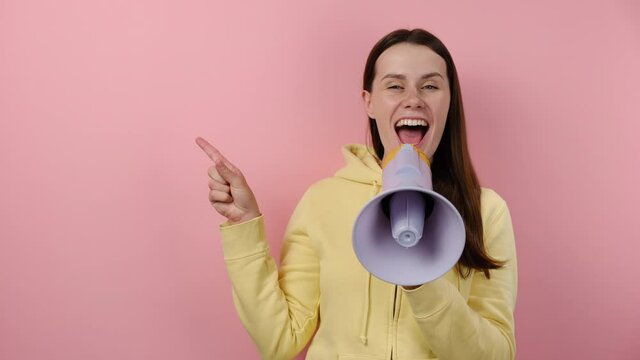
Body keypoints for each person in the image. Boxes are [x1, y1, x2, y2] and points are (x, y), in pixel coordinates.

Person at [196, 28, 517, 360]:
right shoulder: (322, 200)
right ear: (369, 102)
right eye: (394, 86)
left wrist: (421, 281)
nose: (413, 99)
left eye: (431, 86)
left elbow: (497, 354)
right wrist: (244, 225)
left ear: (449, 101)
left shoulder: (486, 211)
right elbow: (278, 340)